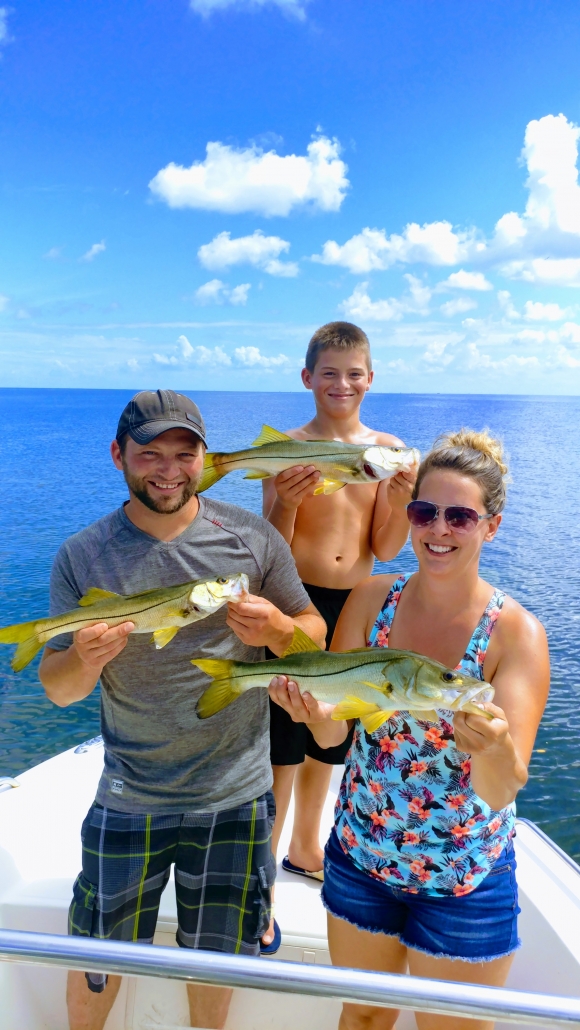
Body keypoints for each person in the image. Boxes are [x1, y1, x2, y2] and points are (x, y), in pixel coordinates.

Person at [38, 389, 326, 1030]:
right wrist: (85, 659)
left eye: (184, 453)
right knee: (96, 957)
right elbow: (59, 689)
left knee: (218, 961)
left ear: (203, 458)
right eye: (150, 454)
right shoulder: (82, 556)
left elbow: (313, 635)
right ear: (118, 456)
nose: (168, 468)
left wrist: (279, 627)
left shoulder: (252, 538)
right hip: (129, 792)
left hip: (236, 795)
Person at [269, 428, 549, 1030]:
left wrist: (493, 747)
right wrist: (314, 716)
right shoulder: (370, 601)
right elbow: (335, 741)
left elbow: (503, 790)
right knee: (363, 1017)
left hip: (462, 878)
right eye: (424, 510)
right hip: (361, 857)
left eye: (460, 516)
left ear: (490, 526)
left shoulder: (516, 635)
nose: (438, 529)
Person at [261, 321, 416, 945]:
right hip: (294, 600)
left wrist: (403, 500)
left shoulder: (387, 451)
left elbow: (383, 545)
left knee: (334, 729)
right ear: (307, 378)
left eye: (354, 374)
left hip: (355, 602)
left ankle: (306, 847)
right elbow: (271, 539)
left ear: (371, 379)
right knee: (282, 735)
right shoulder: (286, 447)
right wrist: (291, 499)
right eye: (330, 373)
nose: (342, 383)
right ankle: (260, 878)